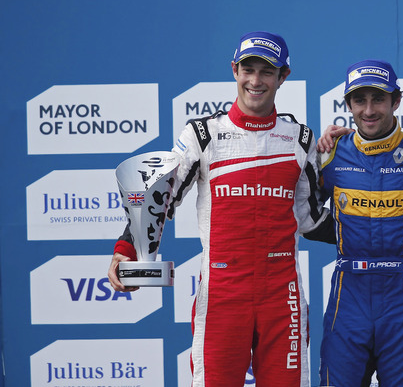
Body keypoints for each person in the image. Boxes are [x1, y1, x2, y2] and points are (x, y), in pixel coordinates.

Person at [107, 31, 328, 387]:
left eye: (267, 72)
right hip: (222, 294)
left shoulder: (300, 139)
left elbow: (310, 217)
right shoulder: (203, 135)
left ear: (283, 76)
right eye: (248, 69)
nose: (256, 81)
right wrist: (126, 250)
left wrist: (371, 206)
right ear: (234, 71)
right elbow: (161, 198)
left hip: (281, 297)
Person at [311, 59, 403, 387]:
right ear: (349, 104)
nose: (369, 110)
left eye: (378, 100)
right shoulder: (330, 154)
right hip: (349, 293)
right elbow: (303, 214)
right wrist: (345, 234)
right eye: (360, 100)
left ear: (395, 101)